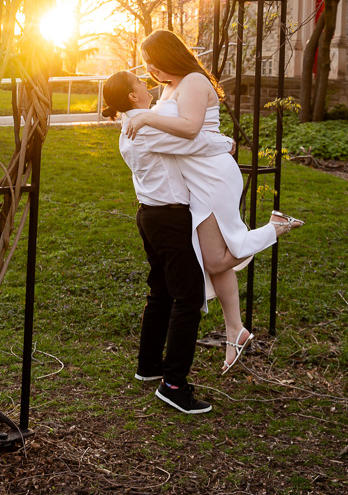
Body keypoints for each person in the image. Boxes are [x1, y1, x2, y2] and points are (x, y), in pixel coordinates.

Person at [123, 29, 304, 372]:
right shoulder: (170, 85)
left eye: (154, 62)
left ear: (168, 56)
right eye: (147, 65)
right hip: (195, 175)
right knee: (214, 259)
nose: (151, 71)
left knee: (217, 257)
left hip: (213, 174)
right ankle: (235, 330)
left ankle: (274, 228)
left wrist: (145, 117)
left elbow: (190, 128)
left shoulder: (192, 79)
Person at [102, 69, 237, 414]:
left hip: (151, 216)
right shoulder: (143, 127)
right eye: (140, 84)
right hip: (167, 218)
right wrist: (228, 143)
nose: (148, 87)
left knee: (161, 292)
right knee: (188, 297)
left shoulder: (135, 124)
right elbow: (194, 142)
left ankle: (149, 366)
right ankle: (174, 385)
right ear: (133, 98)